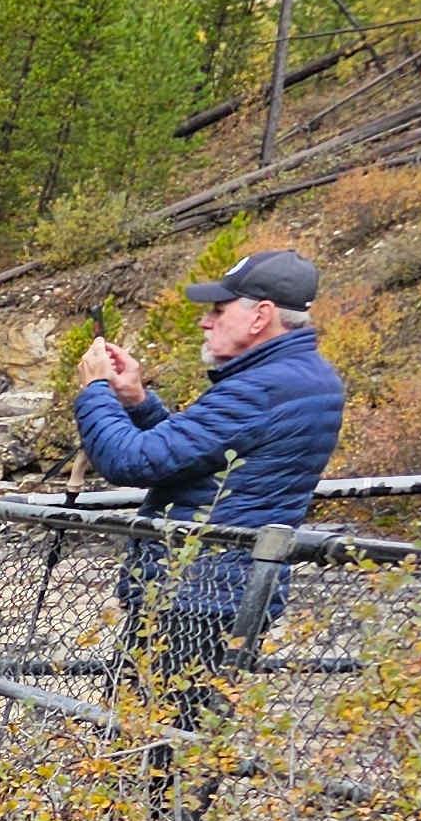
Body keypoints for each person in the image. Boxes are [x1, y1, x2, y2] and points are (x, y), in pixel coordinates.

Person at [69, 250, 345, 706]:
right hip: (223, 592)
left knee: (150, 749)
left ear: (261, 316)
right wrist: (138, 401)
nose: (205, 321)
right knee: (178, 743)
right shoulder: (301, 378)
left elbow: (130, 461)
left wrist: (95, 391)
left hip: (195, 596)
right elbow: (196, 455)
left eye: (219, 310)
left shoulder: (263, 387)